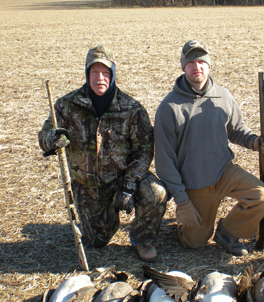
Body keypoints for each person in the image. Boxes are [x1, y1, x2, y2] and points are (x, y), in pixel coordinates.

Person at [38, 45, 167, 262]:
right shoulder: (67, 105)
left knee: (156, 192)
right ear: (87, 74)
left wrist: (129, 184)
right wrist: (53, 139)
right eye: (94, 72)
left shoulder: (131, 108)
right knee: (97, 241)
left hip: (122, 178)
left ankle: (142, 239)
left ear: (113, 74)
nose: (100, 78)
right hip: (88, 185)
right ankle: (108, 219)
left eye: (105, 73)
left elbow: (144, 150)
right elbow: (44, 137)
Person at [154, 40, 264, 256]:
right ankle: (187, 224)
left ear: (209, 65)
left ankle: (227, 232)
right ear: (183, 66)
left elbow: (237, 130)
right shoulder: (169, 107)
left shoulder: (223, 96)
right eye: (191, 62)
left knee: (263, 196)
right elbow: (164, 161)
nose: (197, 66)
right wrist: (183, 203)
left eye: (201, 61)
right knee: (194, 243)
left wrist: (255, 142)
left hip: (223, 172)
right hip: (195, 183)